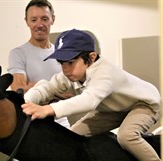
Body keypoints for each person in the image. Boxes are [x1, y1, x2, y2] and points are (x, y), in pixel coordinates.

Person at [21, 29, 161, 161]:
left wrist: (48, 109)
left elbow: (89, 100)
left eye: (70, 62)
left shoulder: (104, 72)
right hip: (113, 110)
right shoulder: (68, 75)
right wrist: (25, 102)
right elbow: (47, 87)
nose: (66, 69)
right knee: (72, 135)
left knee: (126, 136)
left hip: (144, 104)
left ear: (91, 57)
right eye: (62, 63)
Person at [7, 0, 70, 128]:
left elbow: (72, 93)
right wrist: (57, 92)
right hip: (34, 123)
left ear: (52, 19)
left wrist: (35, 86)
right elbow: (19, 90)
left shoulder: (63, 54)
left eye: (44, 19)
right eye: (34, 20)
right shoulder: (18, 53)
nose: (39, 24)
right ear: (27, 22)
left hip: (62, 121)